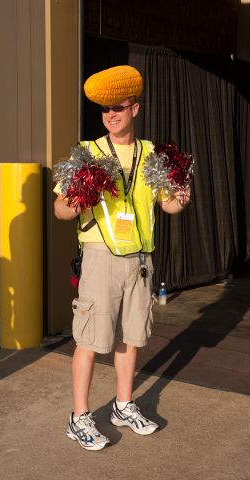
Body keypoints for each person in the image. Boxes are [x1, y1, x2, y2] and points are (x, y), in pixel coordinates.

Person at [54, 65, 190, 451]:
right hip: (100, 257)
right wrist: (79, 197)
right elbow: (60, 211)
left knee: (132, 336)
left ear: (136, 109)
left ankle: (123, 404)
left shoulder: (151, 154)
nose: (111, 114)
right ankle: (79, 417)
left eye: (118, 107)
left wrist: (179, 200)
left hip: (140, 260)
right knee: (90, 339)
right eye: (104, 109)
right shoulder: (88, 153)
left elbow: (168, 205)